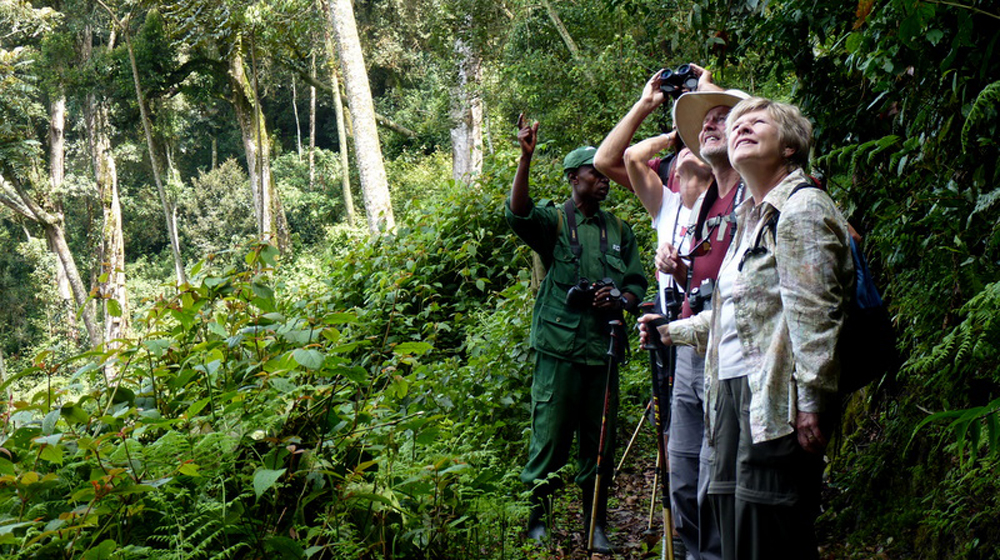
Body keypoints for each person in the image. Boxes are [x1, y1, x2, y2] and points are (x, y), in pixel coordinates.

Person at [640, 97, 854, 560]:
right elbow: (736, 313)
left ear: (790, 147)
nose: (741, 128)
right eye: (737, 124)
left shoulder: (802, 208)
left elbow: (816, 316)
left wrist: (812, 402)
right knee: (733, 528)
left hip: (774, 398)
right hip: (731, 393)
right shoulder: (748, 220)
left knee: (768, 529)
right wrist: (671, 331)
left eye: (758, 122)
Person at [595, 67, 748, 560]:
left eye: (717, 123)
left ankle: (713, 546)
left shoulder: (742, 191)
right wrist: (661, 116)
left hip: (726, 339)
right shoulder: (672, 205)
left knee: (717, 468)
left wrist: (708, 89)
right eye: (702, 128)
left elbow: (756, 124)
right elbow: (613, 158)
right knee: (683, 462)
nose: (694, 143)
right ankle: (689, 543)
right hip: (679, 330)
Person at [506, 114, 648, 554]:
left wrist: (620, 300)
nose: (604, 180)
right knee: (549, 437)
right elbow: (518, 213)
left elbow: (636, 284)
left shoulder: (618, 230)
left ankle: (595, 523)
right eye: (595, 173)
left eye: (605, 173)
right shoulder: (554, 223)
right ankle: (538, 521)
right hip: (559, 351)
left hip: (603, 351)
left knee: (599, 442)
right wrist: (525, 160)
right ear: (574, 178)